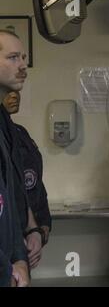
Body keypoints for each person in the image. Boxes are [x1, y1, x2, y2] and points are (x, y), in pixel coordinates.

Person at [2, 91, 52, 260]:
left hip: (30, 231)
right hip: (10, 237)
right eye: (7, 91)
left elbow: (34, 183)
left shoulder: (20, 133)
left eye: (16, 91)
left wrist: (41, 226)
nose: (14, 96)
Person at [0, 29, 29, 287]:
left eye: (23, 57)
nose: (22, 65)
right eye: (12, 57)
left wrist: (19, 256)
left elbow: (10, 196)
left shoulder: (5, 124)